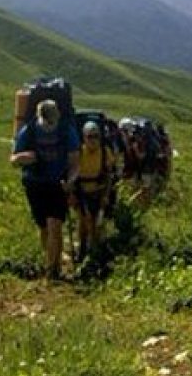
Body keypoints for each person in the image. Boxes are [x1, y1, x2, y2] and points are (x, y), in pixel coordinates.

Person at [10, 99, 80, 279]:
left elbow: (74, 163)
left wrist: (70, 181)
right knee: (44, 228)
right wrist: (24, 158)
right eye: (48, 122)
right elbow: (13, 160)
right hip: (35, 183)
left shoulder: (66, 131)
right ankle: (51, 262)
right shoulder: (29, 131)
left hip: (58, 184)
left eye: (53, 122)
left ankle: (52, 271)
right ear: (40, 117)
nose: (51, 126)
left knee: (55, 226)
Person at [73, 121, 114, 261]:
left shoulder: (105, 152)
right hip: (81, 193)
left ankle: (95, 251)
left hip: (98, 192)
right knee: (84, 221)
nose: (93, 140)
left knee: (97, 223)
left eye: (96, 136)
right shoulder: (78, 152)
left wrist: (106, 196)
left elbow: (109, 175)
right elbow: (71, 174)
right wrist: (71, 195)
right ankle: (82, 249)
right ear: (84, 137)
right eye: (90, 136)